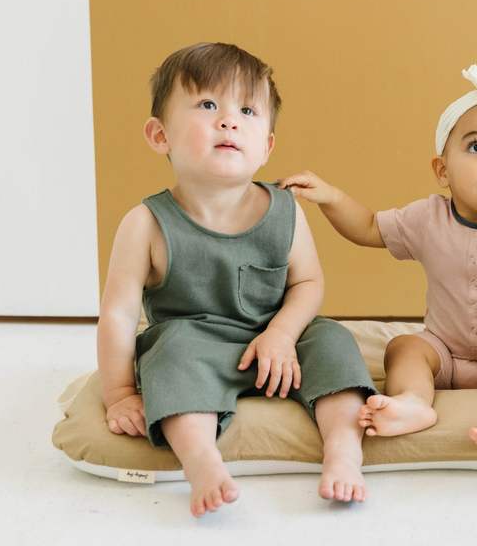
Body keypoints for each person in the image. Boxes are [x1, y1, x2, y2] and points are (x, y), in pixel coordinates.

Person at [96, 42, 378, 516]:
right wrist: (120, 393)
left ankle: (344, 452)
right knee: (171, 357)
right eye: (208, 105)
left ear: (266, 146)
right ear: (159, 135)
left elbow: (307, 285)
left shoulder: (285, 211)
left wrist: (283, 334)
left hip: (279, 344)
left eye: (247, 110)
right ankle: (202, 461)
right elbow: (119, 314)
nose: (229, 121)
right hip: (196, 343)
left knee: (334, 343)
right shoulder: (145, 224)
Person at [280, 61, 477, 459]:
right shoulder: (428, 218)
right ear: (442, 170)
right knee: (404, 346)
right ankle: (414, 401)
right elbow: (367, 227)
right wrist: (331, 196)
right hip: (445, 353)